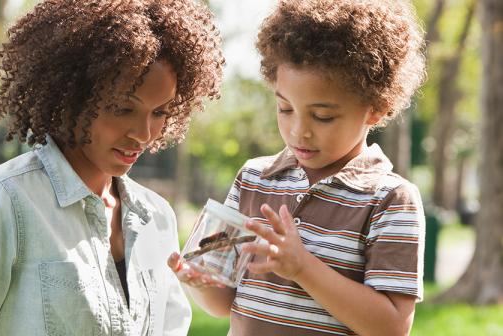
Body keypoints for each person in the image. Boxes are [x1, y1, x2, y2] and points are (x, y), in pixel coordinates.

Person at [0, 0, 224, 335]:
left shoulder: (157, 217)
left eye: (160, 112)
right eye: (123, 108)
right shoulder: (1, 201)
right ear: (74, 96)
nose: (144, 134)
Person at [168, 0, 426, 335]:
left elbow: (391, 328)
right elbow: (222, 303)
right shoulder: (254, 179)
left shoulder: (390, 199)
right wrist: (199, 280)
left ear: (376, 109)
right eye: (285, 108)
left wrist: (302, 267)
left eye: (323, 116)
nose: (298, 131)